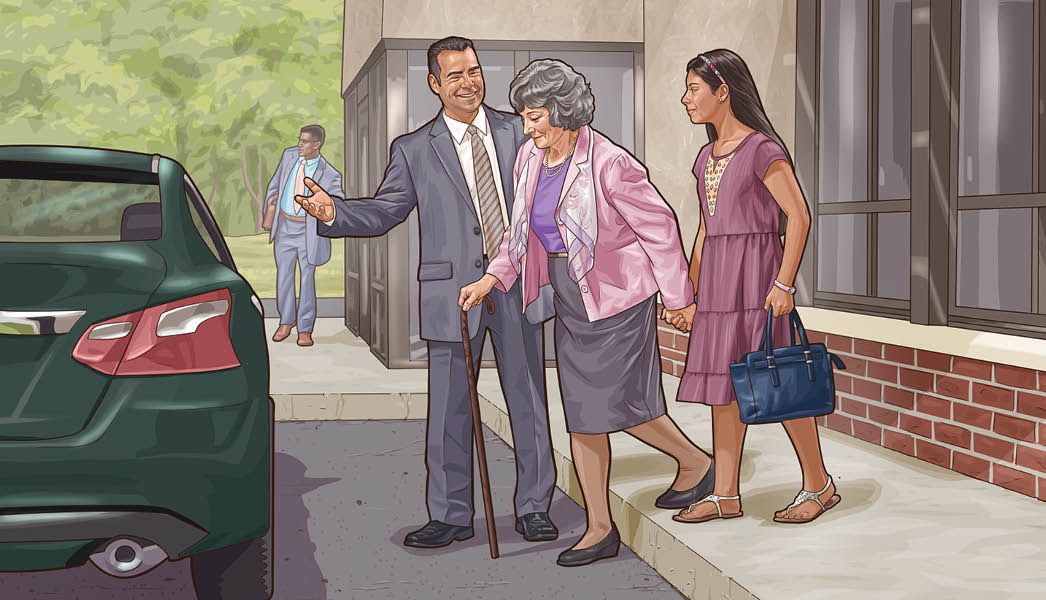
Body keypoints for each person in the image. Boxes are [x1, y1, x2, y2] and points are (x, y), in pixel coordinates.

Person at [294, 37, 559, 549]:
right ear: (435, 85)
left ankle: (533, 507)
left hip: (516, 284)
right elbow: (386, 210)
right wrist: (335, 213)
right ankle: (451, 515)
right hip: (452, 292)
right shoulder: (414, 148)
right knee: (450, 408)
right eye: (455, 75)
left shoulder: (520, 132)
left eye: (475, 71)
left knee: (528, 400)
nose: (469, 83)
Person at [459, 59, 715, 568]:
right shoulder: (530, 162)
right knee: (583, 413)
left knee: (618, 406)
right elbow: (518, 234)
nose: (527, 128)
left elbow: (660, 228)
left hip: (617, 297)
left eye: (535, 117)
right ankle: (603, 526)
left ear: (562, 111)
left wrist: (679, 297)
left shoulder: (609, 163)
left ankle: (691, 463)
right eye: (524, 117)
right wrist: (494, 276)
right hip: (570, 297)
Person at [667, 49, 838, 525]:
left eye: (693, 90)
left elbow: (799, 216)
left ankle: (819, 485)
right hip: (720, 288)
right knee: (724, 389)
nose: (685, 100)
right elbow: (705, 228)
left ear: (723, 92)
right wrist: (689, 293)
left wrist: (784, 283)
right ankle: (725, 493)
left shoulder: (763, 149)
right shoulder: (705, 158)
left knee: (779, 383)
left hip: (759, 285)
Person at [262, 124, 343, 347]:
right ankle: (286, 322)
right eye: (299, 140)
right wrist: (271, 207)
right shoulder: (289, 156)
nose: (299, 144)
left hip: (309, 233)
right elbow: (275, 183)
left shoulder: (331, 175)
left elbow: (336, 206)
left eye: (304, 141)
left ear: (316, 145)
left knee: (307, 280)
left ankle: (305, 329)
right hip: (285, 228)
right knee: (284, 277)